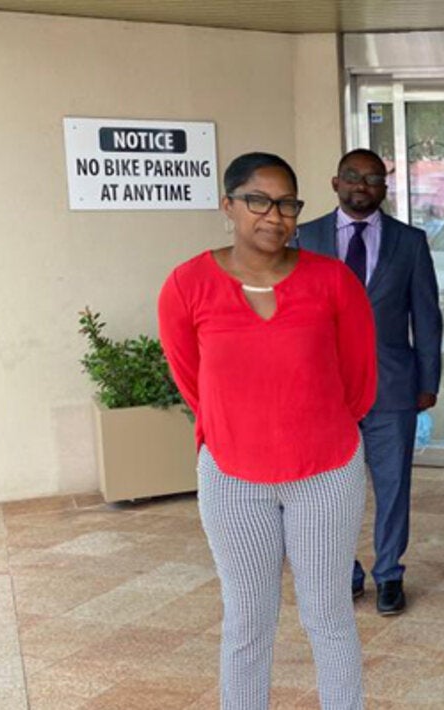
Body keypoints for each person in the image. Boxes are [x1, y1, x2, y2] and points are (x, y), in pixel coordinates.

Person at [159, 152, 375, 709]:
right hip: (233, 478)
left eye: (286, 204)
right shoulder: (187, 285)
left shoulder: (333, 281)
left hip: (325, 475)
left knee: (328, 615)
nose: (274, 216)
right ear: (227, 205)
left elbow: (358, 381)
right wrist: (241, 427)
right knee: (246, 622)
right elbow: (192, 380)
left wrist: (311, 427)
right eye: (258, 201)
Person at [297, 148, 443, 616]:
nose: (362, 185)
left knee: (392, 485)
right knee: (329, 491)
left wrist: (428, 380)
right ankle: (346, 572)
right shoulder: (304, 237)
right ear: (335, 182)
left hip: (391, 386)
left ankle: (389, 574)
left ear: (385, 187)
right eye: (353, 176)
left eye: (373, 178)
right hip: (322, 390)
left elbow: (426, 316)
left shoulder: (410, 241)